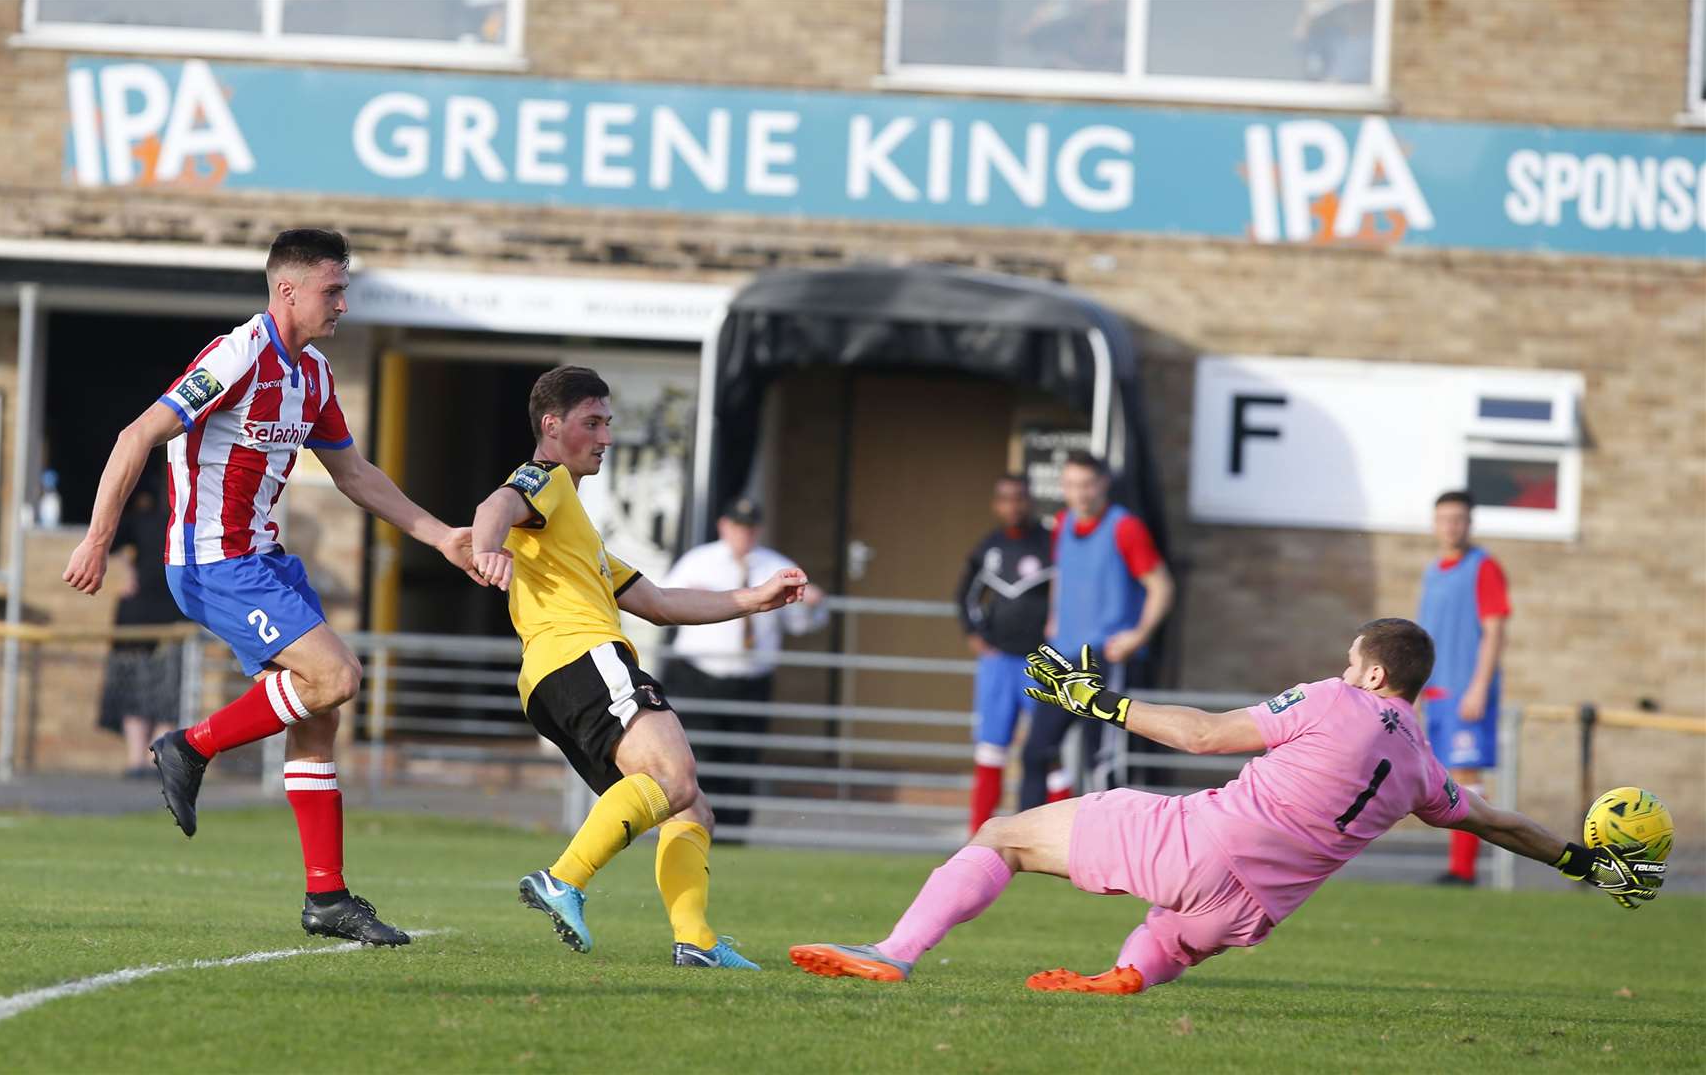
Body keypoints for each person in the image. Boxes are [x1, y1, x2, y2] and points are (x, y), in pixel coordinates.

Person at [788, 620, 1664, 992]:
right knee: (1169, 934)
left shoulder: (1334, 698)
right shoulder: (1423, 773)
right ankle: (1128, 975)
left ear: (1369, 671)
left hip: (1199, 845)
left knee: (1003, 835)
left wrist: (1103, 704)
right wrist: (1590, 864)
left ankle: (895, 953)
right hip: (1250, 915)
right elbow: (1501, 823)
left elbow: (1206, 737)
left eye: (1349, 657)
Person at [64, 228, 484, 946]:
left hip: (266, 561)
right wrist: (98, 539)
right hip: (208, 563)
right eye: (333, 290)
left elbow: (355, 476)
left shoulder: (314, 375)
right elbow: (138, 436)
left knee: (318, 716)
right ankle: (191, 746)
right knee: (337, 676)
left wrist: (441, 536)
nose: (343, 303)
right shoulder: (236, 355)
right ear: (286, 290)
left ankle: (326, 898)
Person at [468, 365, 811, 970]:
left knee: (689, 806)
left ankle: (695, 941)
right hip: (583, 658)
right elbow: (497, 503)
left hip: (554, 678)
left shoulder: (579, 532)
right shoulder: (543, 480)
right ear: (552, 426)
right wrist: (484, 547)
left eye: (608, 424)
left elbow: (658, 602)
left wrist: (756, 598)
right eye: (591, 423)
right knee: (676, 778)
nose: (605, 437)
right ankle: (562, 880)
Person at [660, 497, 828, 835]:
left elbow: (800, 622)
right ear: (724, 526)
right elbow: (661, 599)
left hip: (751, 677)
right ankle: (690, 830)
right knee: (695, 758)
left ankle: (734, 834)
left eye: (750, 528)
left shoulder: (775, 566)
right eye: (737, 526)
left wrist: (812, 605)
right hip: (698, 674)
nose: (743, 534)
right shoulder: (698, 562)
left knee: (742, 760)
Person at [1023, 451, 1172, 808]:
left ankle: (1111, 849)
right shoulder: (1062, 524)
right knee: (1035, 752)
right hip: (1063, 656)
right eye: (1072, 485)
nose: (1081, 494)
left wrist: (1138, 635)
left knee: (1100, 761)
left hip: (1104, 658)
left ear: (1103, 484)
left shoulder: (1124, 527)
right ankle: (1023, 840)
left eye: (1087, 485)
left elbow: (1161, 586)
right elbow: (1063, 574)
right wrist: (1054, 618)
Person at [1417, 489, 1510, 886]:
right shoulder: (1433, 571)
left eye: (1459, 518)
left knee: (1466, 780)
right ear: (1435, 523)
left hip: (1465, 691)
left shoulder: (1483, 566)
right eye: (1445, 518)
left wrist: (1478, 686)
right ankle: (1457, 865)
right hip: (1435, 691)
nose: (1451, 526)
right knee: (1438, 780)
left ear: (1470, 523)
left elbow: (1494, 630)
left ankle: (1464, 869)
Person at [954, 473, 1054, 833]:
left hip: (1043, 662)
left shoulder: (1050, 542)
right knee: (991, 748)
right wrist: (974, 633)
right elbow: (965, 594)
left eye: (1020, 498)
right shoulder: (989, 547)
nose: (1013, 505)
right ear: (997, 504)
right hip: (999, 662)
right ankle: (979, 835)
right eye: (1006, 498)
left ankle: (1063, 836)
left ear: (1030, 501)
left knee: (1048, 748)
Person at [96, 480, 182, 778]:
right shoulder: (142, 515)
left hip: (175, 613)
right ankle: (136, 760)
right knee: (134, 683)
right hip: (140, 611)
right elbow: (107, 542)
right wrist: (125, 572)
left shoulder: (191, 517)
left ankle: (152, 759)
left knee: (171, 685)